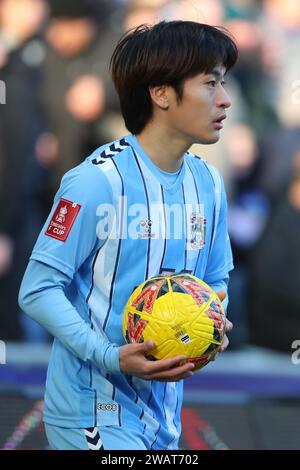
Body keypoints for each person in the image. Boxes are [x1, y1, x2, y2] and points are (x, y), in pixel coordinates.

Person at [19, 20, 238, 451]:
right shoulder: (95, 182)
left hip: (163, 416)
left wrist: (212, 323)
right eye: (210, 83)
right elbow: (37, 289)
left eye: (224, 82)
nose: (225, 99)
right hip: (91, 414)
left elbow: (216, 281)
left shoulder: (209, 182)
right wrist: (108, 355)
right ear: (160, 93)